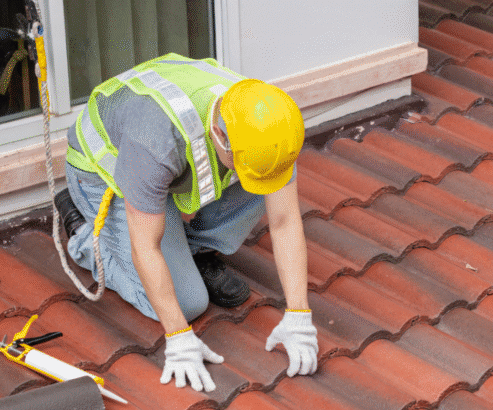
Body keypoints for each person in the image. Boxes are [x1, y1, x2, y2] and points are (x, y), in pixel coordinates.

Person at [58, 53, 318, 392]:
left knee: (263, 179)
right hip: (106, 173)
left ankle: (190, 251)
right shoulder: (156, 141)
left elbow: (284, 221)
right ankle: (84, 233)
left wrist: (299, 315)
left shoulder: (265, 126)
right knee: (188, 303)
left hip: (158, 169)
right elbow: (145, 247)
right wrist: (179, 337)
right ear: (218, 135)